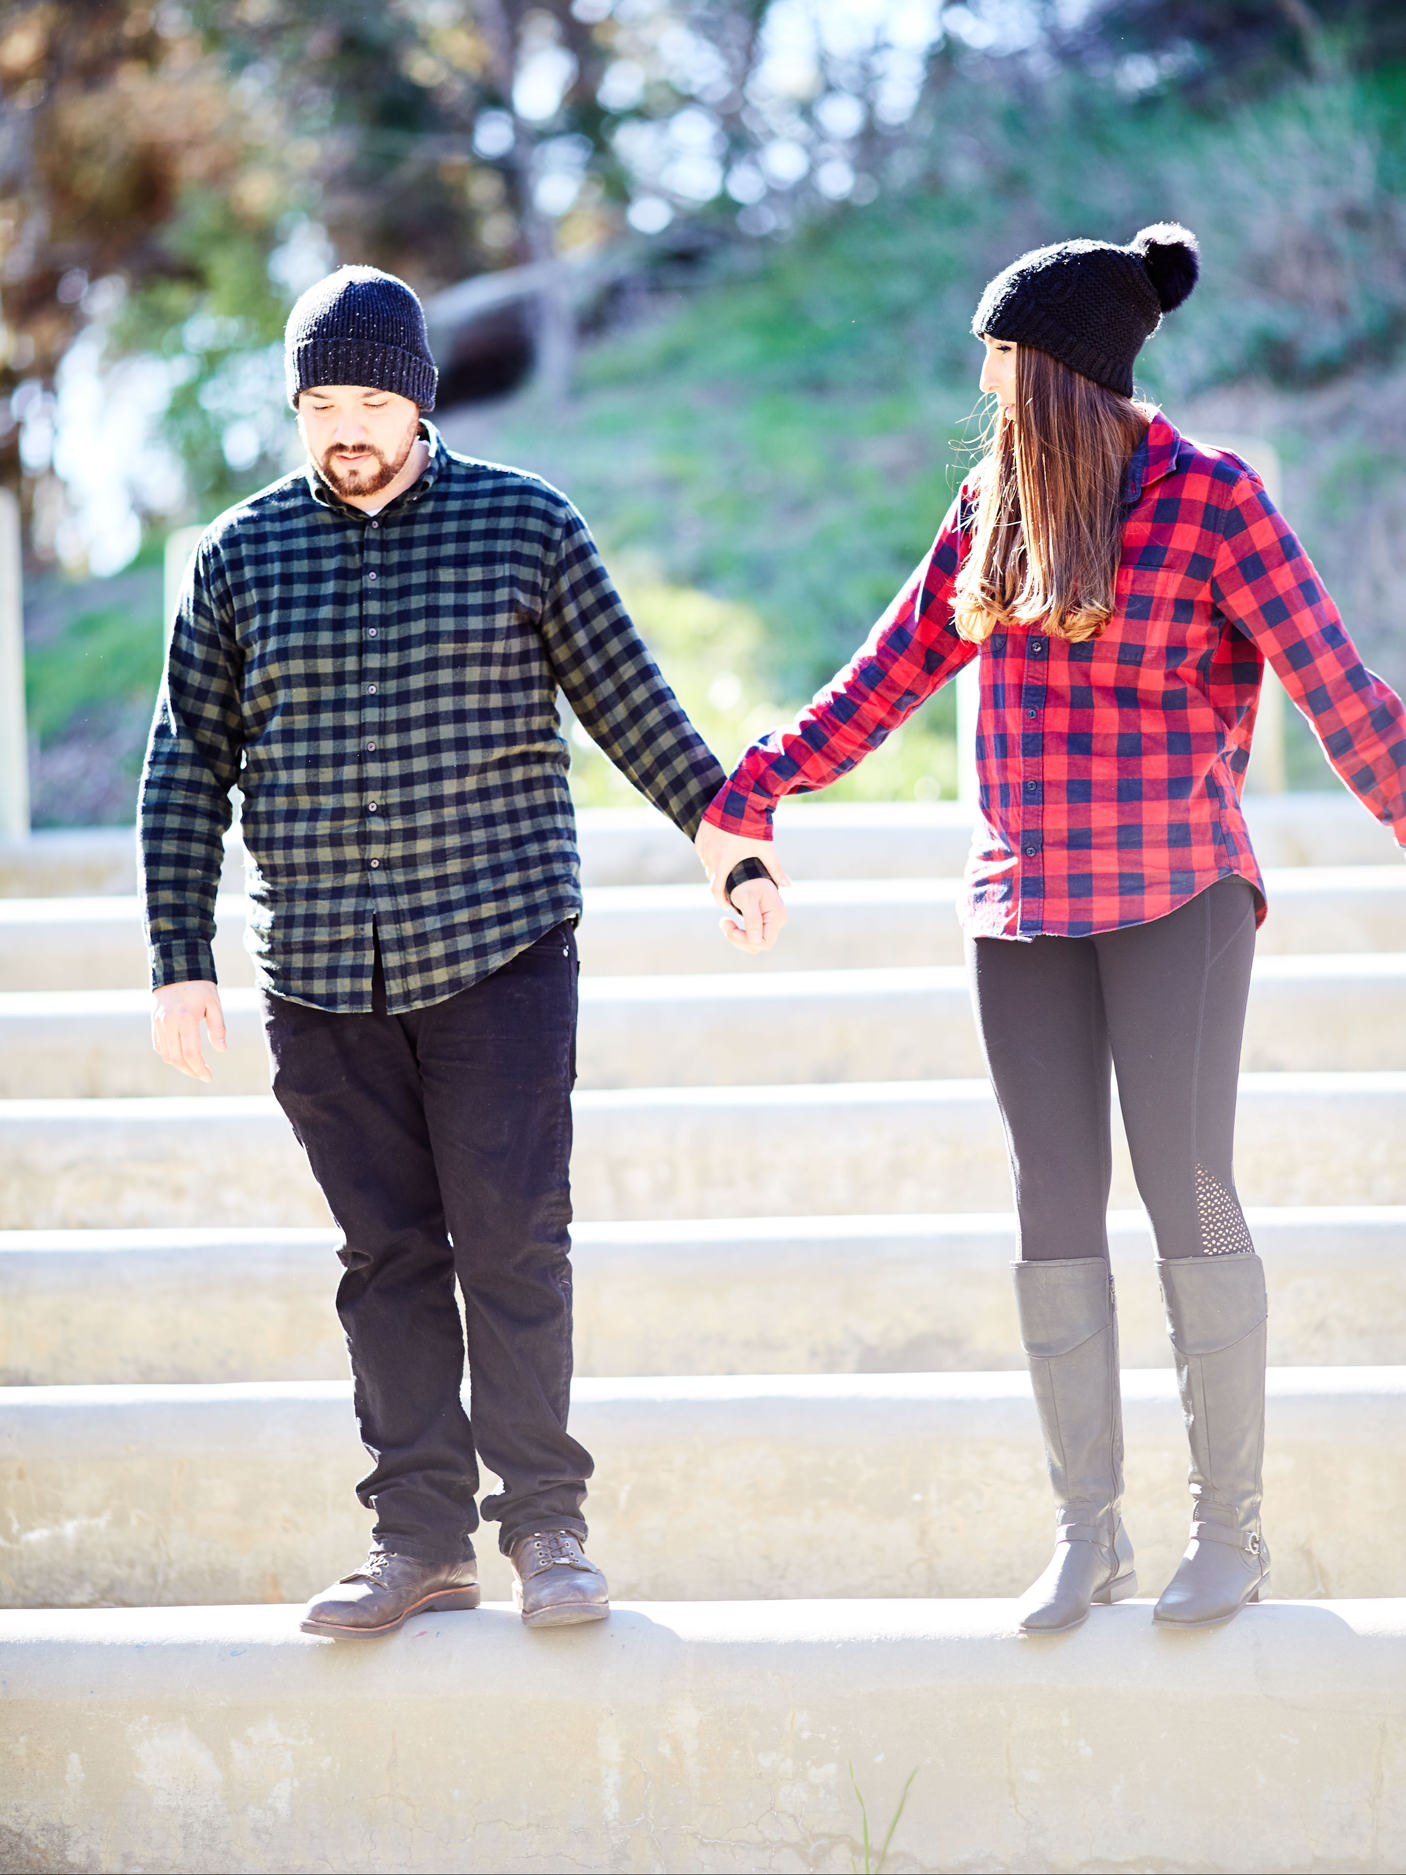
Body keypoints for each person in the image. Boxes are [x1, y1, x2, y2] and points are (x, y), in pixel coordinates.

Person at [696, 224, 1406, 1633]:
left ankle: (1231, 1532)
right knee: (1047, 1206)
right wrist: (756, 783)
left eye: (1005, 362)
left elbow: (1340, 691)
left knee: (1188, 1190)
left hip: (1175, 893)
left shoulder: (1212, 502)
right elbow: (883, 673)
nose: (990, 388)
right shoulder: (992, 506)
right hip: (1020, 907)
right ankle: (1090, 1532)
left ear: (1066, 371)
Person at [140, 264, 784, 1638]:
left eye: (372, 401)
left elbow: (628, 697)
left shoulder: (523, 525)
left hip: (496, 948)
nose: (346, 430)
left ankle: (546, 1523)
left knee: (510, 1244)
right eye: (322, 404)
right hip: (320, 969)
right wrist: (177, 950)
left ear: (423, 405)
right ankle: (418, 1539)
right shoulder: (240, 557)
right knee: (383, 1260)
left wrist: (725, 837)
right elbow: (186, 764)